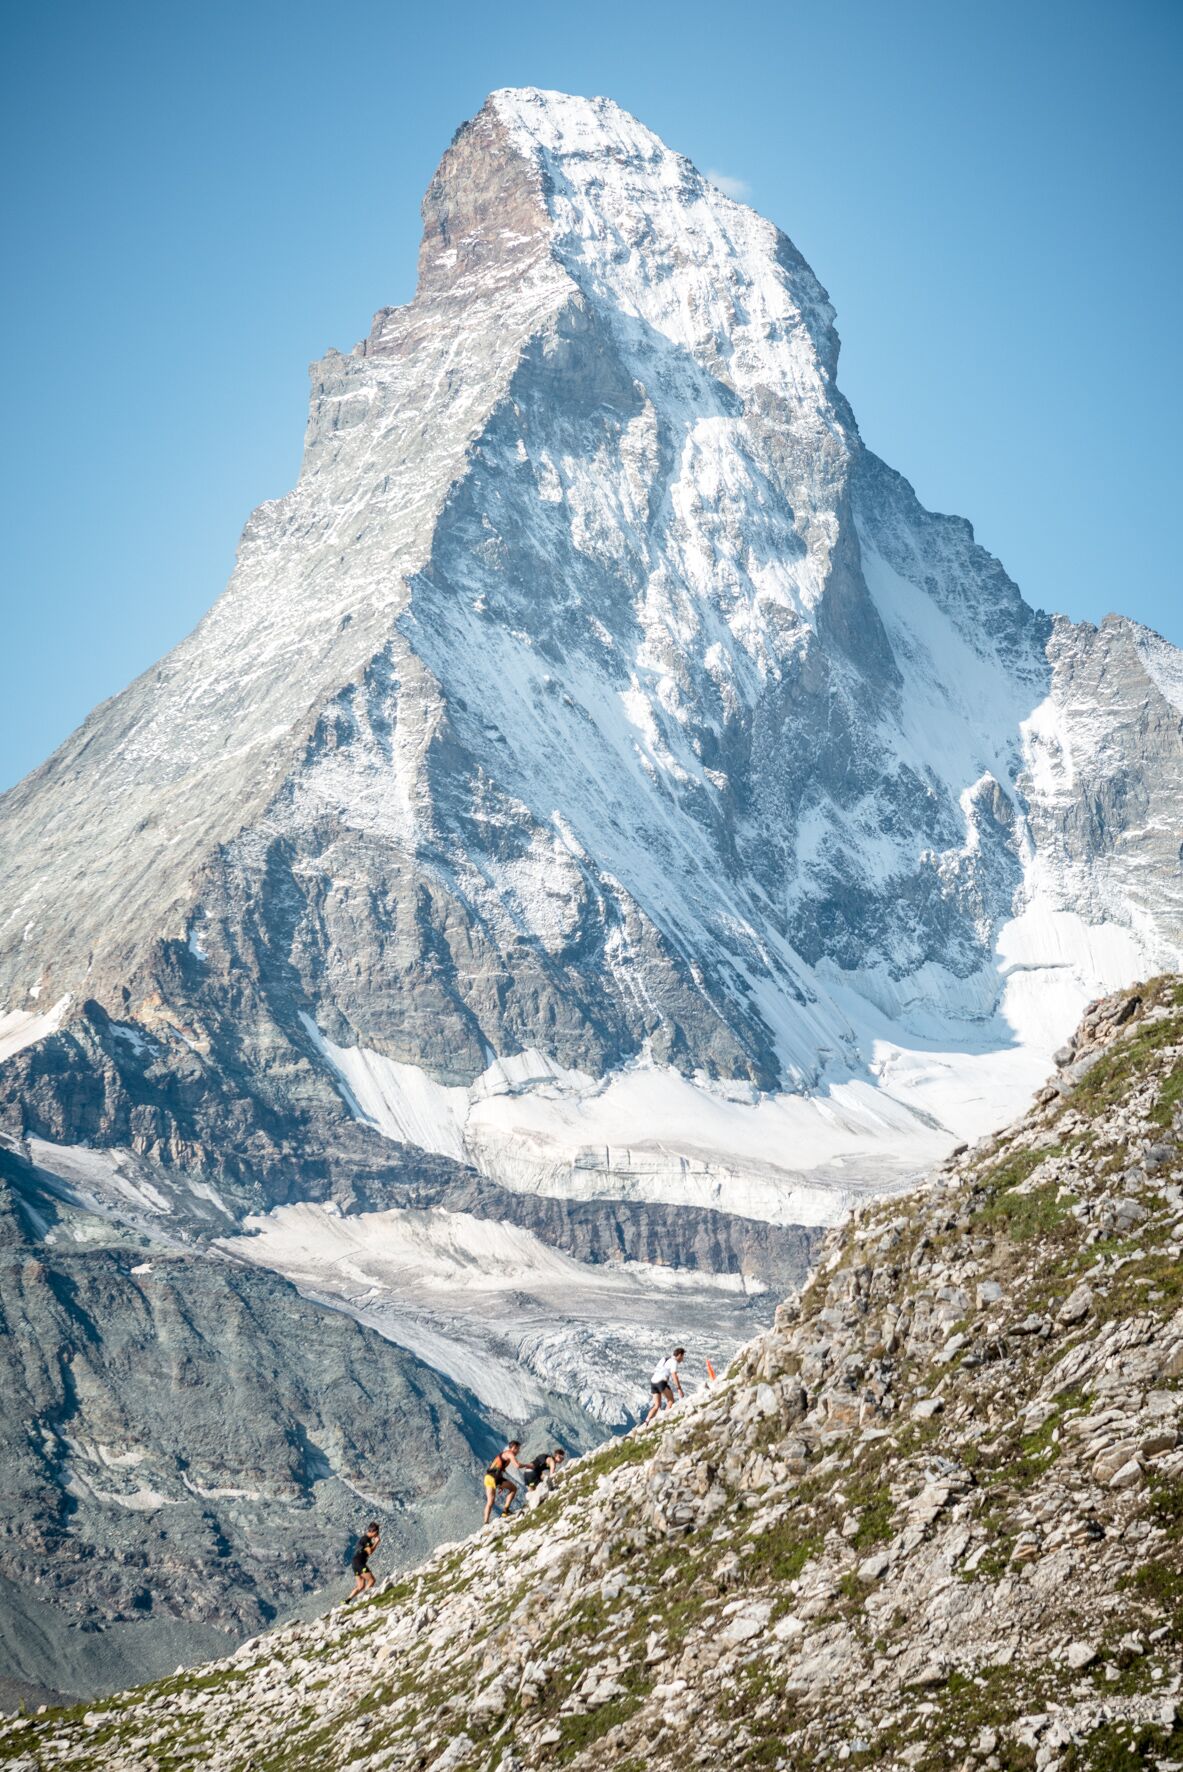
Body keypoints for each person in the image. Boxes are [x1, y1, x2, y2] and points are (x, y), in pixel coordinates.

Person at [483, 1440, 525, 1524]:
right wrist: (528, 1465)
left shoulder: (503, 1454)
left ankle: (486, 1522)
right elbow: (517, 1465)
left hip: (488, 1477)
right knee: (513, 1489)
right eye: (517, 1449)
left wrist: (500, 1484)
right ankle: (505, 1511)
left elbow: (499, 1469)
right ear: (513, 1448)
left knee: (490, 1501)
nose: (518, 1451)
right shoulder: (510, 1454)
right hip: (495, 1478)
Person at [645, 1347, 686, 1422]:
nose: (682, 1359)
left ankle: (647, 1421)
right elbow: (674, 1375)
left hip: (653, 1382)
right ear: (679, 1355)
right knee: (670, 1400)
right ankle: (664, 1419)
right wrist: (679, 1388)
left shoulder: (664, 1358)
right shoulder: (674, 1362)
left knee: (657, 1405)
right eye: (683, 1357)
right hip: (661, 1382)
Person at [346, 1520, 380, 1601]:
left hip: (355, 1563)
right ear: (373, 1531)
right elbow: (370, 1551)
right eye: (377, 1532)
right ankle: (364, 1599)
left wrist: (374, 1544)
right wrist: (376, 1542)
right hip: (359, 1562)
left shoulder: (366, 1540)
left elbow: (370, 1551)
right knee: (372, 1580)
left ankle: (347, 1601)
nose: (378, 1534)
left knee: (360, 1586)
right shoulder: (366, 1539)